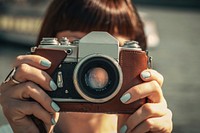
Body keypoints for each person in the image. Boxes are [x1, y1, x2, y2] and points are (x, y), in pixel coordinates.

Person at [0, 0, 173, 133]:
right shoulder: (16, 129)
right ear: (45, 51)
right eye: (75, 44)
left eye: (112, 51)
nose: (94, 67)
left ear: (139, 64)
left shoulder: (152, 128)